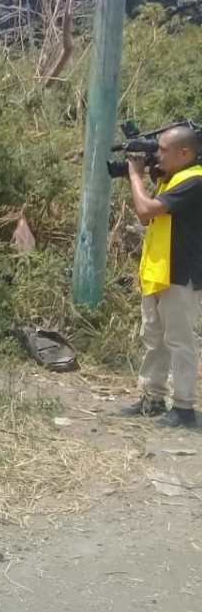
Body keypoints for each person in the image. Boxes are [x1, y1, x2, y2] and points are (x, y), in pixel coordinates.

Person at [119, 124, 202, 428]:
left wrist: (134, 175)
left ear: (186, 153)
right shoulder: (174, 179)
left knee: (180, 341)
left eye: (163, 150)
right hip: (158, 271)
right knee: (154, 338)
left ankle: (183, 407)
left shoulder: (195, 180)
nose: (157, 154)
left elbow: (145, 211)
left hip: (180, 274)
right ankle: (152, 398)